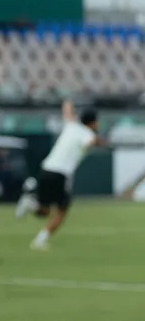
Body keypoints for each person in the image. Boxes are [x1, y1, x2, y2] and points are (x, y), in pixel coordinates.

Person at [15, 100, 100, 250]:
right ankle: (40, 241)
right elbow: (90, 142)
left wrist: (68, 103)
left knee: (44, 211)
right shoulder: (87, 134)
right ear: (92, 122)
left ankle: (30, 204)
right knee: (62, 211)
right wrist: (101, 141)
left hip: (46, 168)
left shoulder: (71, 125)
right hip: (61, 173)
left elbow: (67, 111)